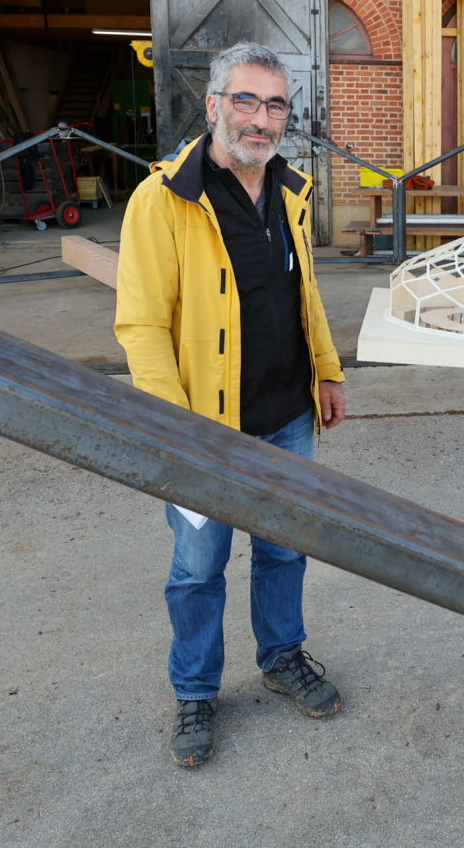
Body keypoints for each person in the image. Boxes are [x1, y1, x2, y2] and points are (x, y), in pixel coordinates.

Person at [115, 41, 348, 769]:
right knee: (197, 565)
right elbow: (142, 323)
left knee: (284, 548)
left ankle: (282, 656)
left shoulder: (289, 190)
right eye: (245, 100)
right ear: (212, 105)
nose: (261, 118)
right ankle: (195, 690)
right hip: (205, 429)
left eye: (275, 104)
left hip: (286, 414)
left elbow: (302, 292)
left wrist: (328, 372)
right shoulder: (164, 199)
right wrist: (172, 426)